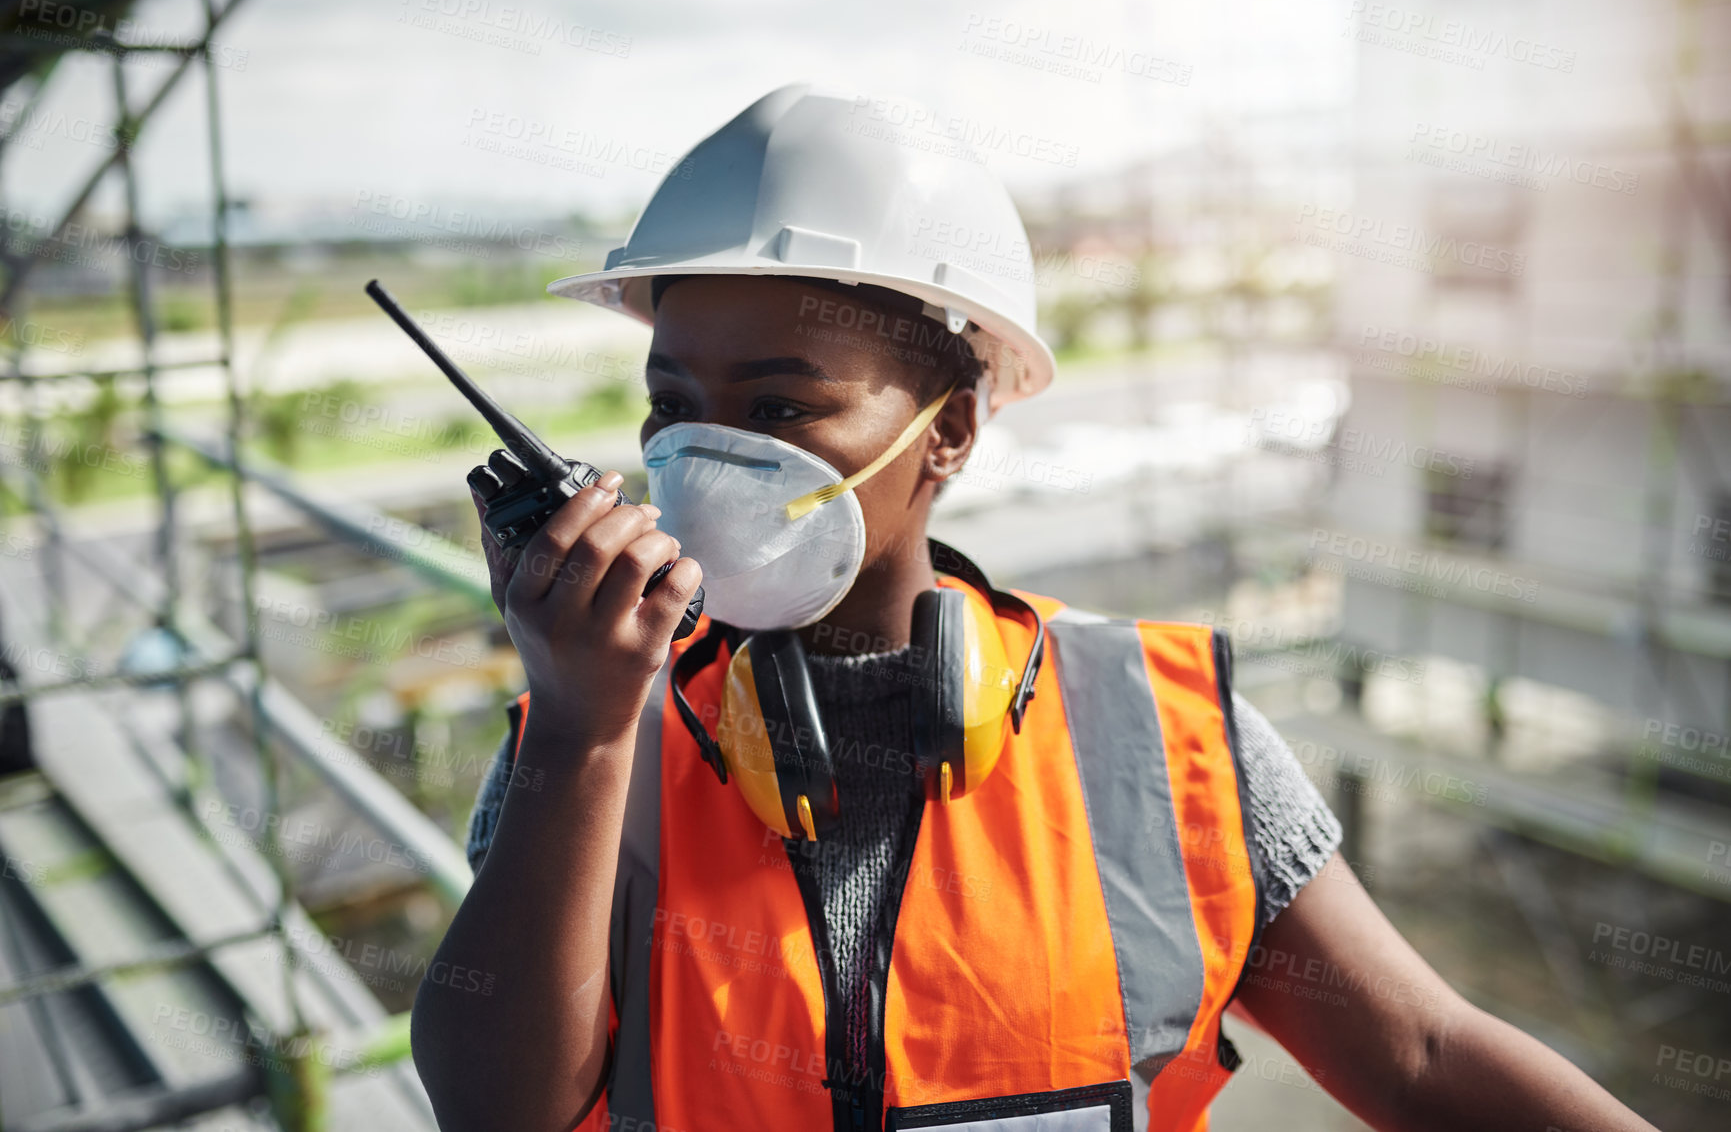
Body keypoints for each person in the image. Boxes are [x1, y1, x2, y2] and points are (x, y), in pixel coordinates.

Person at [409, 85, 1657, 1132]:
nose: (703, 455)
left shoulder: (1163, 743)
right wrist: (580, 732)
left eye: (783, 408)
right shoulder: (587, 748)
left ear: (950, 429)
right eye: (673, 405)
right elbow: (494, 1110)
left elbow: (1423, 1056)